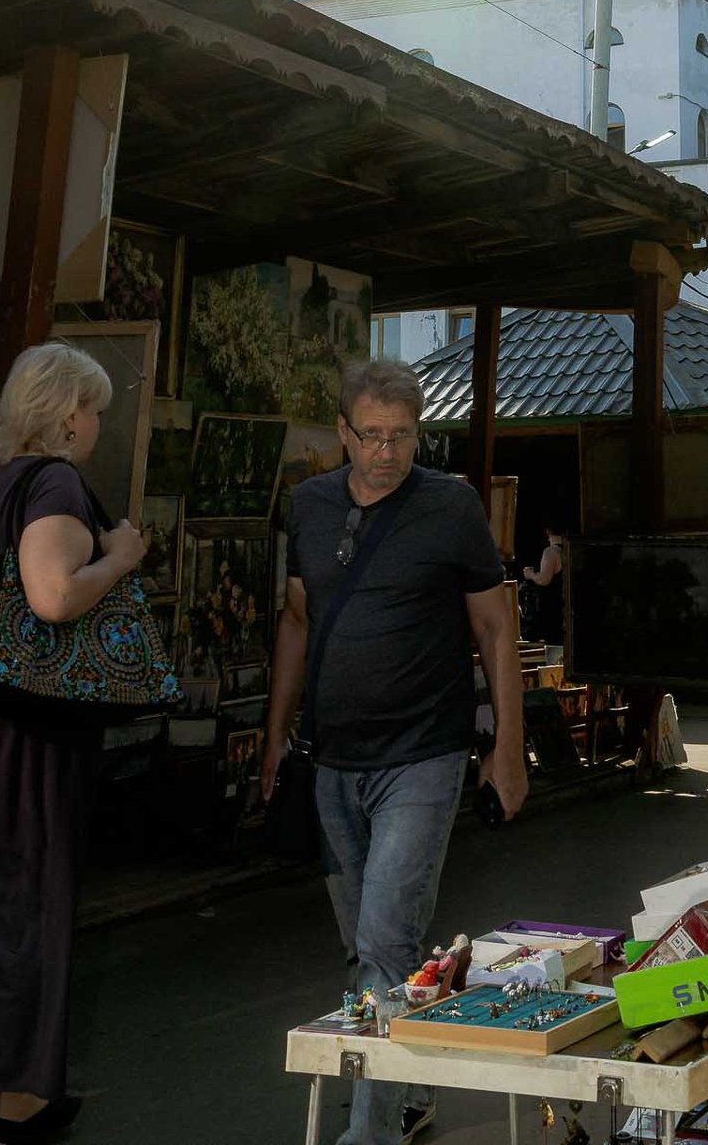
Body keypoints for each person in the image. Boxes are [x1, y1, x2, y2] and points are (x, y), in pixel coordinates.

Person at [263, 360, 525, 1145]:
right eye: (370, 436)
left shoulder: (451, 506)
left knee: (385, 939)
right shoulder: (307, 506)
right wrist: (277, 735)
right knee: (365, 948)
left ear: (420, 430)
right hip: (333, 760)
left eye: (401, 435)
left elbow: (494, 627)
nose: (385, 452)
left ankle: (371, 1131)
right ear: (342, 432)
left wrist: (508, 747)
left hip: (423, 755)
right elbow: (298, 622)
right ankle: (408, 1093)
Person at [0, 345, 143, 1145]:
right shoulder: (52, 484)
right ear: (67, 413)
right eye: (94, 410)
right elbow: (54, 597)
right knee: (18, 919)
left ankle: (9, 1100)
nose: (97, 426)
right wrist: (120, 558)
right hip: (22, 739)